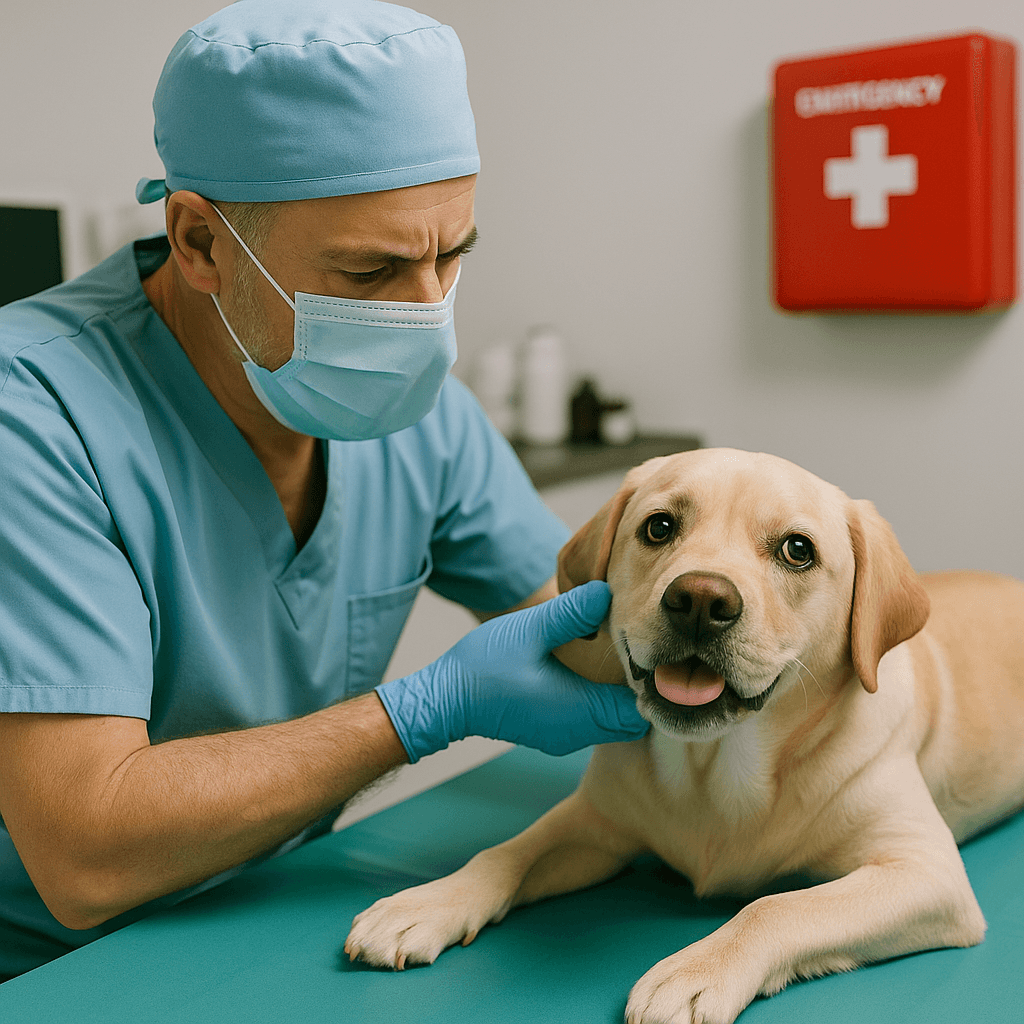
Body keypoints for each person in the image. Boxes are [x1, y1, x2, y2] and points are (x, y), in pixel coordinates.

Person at [0, 0, 648, 981]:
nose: (426, 316)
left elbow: (582, 630)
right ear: (200, 243)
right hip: (60, 968)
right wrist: (424, 709)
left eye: (451, 254)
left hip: (278, 918)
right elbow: (86, 849)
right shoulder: (35, 416)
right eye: (370, 269)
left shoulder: (422, 416)